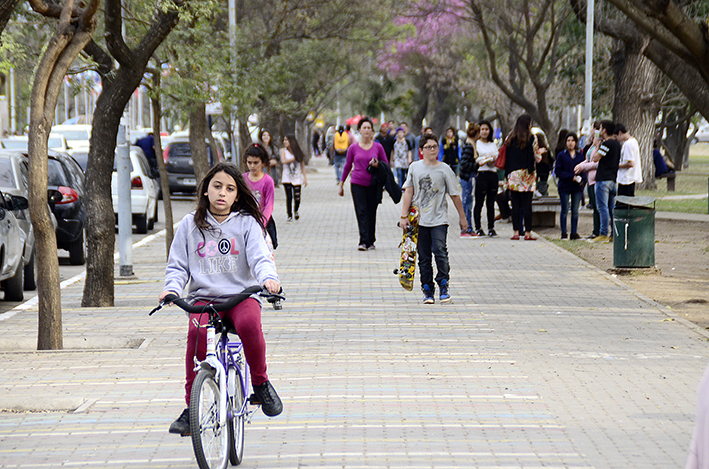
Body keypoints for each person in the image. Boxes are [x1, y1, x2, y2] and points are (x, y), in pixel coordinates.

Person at [161, 162, 283, 436]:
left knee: (250, 326)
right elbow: (178, 266)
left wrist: (268, 279)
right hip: (203, 299)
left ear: (237, 195)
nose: (222, 194)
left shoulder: (246, 223)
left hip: (241, 296)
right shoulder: (189, 225)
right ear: (206, 190)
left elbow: (260, 258)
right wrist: (171, 289)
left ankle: (261, 384)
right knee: (197, 335)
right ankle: (191, 408)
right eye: (217, 187)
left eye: (230, 189)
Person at [400, 133, 468, 304]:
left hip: (439, 219)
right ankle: (427, 289)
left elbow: (454, 195)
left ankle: (443, 284)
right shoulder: (415, 167)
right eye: (428, 147)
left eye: (435, 146)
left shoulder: (445, 169)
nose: (432, 150)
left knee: (440, 252)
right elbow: (409, 191)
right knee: (423, 257)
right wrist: (403, 216)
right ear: (421, 150)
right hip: (419, 221)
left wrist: (462, 217)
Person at [338, 117, 389, 251]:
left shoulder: (378, 147)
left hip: (373, 184)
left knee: (371, 211)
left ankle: (371, 240)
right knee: (361, 212)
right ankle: (363, 241)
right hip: (357, 183)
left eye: (369, 128)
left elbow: (386, 164)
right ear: (359, 130)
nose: (366, 130)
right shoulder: (353, 148)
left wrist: (377, 165)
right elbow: (347, 166)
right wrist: (341, 184)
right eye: (364, 128)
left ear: (372, 131)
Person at [504, 114, 543, 240]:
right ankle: (528, 233)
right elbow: (537, 158)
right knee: (527, 205)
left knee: (515, 204)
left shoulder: (509, 138)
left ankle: (516, 232)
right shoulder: (532, 138)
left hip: (513, 174)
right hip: (527, 175)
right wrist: (540, 153)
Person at [244, 144, 277, 249]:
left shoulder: (268, 181)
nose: (252, 166)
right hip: (246, 221)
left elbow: (269, 205)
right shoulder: (242, 180)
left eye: (256, 163)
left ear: (263, 163)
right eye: (250, 163)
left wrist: (262, 223)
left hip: (263, 223)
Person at [592, 120, 621, 243]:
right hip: (613, 179)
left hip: (603, 179)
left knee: (602, 207)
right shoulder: (617, 144)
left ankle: (603, 232)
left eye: (601, 128)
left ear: (604, 130)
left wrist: (597, 146)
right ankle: (614, 234)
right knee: (611, 208)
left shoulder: (607, 144)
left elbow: (595, 158)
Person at [554, 132, 586, 240]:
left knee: (575, 210)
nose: (570, 143)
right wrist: (570, 177)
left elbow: (583, 169)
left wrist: (583, 180)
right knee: (564, 209)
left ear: (576, 142)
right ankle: (563, 232)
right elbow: (558, 171)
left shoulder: (580, 156)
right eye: (568, 140)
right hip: (564, 186)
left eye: (572, 140)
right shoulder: (561, 155)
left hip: (576, 187)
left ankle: (574, 232)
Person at [575, 122, 601, 239]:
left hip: (597, 179)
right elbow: (588, 159)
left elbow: (596, 163)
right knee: (594, 206)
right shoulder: (592, 145)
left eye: (593, 129)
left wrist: (584, 167)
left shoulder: (601, 145)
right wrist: (580, 165)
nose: (591, 131)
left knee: (598, 206)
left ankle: (599, 231)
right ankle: (595, 230)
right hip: (590, 180)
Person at [474, 120, 499, 237]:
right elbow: (476, 159)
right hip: (481, 174)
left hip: (492, 173)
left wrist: (493, 160)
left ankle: (491, 227)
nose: (484, 132)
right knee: (479, 202)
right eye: (482, 129)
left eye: (486, 129)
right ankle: (478, 227)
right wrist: (485, 158)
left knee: (491, 203)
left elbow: (497, 157)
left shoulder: (493, 144)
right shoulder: (476, 144)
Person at [458, 122, 480, 237]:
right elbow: (465, 163)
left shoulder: (470, 144)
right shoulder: (469, 146)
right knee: (466, 202)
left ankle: (469, 228)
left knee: (469, 202)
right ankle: (465, 229)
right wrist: (477, 165)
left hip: (469, 177)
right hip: (467, 177)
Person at [280, 134, 307, 222]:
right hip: (286, 177)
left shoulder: (298, 152)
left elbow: (302, 166)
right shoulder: (283, 151)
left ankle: (296, 210)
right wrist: (294, 158)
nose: (285, 142)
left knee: (297, 197)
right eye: (284, 140)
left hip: (297, 177)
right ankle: (289, 215)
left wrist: (305, 178)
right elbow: (283, 161)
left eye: (286, 140)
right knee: (289, 196)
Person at [616, 124, 642, 197]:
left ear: (620, 133)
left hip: (626, 178)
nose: (617, 139)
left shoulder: (628, 144)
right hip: (629, 178)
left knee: (624, 202)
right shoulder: (633, 141)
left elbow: (630, 163)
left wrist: (617, 165)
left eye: (616, 136)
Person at [535, 131, 553, 196]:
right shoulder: (546, 149)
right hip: (545, 170)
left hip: (537, 169)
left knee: (535, 183)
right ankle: (544, 194)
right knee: (544, 183)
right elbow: (551, 159)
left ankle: (537, 192)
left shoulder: (535, 151)